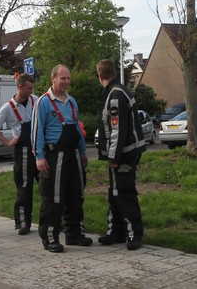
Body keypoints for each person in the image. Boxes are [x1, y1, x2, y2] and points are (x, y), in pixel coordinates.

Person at [31, 64, 91, 252]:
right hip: (54, 157)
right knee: (54, 199)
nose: (66, 82)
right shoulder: (43, 102)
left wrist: (83, 152)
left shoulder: (72, 102)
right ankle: (50, 238)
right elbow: (36, 131)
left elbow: (78, 130)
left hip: (73, 156)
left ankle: (74, 234)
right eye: (62, 78)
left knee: (76, 196)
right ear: (53, 79)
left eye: (68, 78)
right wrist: (39, 157)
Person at [95, 59, 148, 250]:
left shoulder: (115, 95)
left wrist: (113, 157)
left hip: (124, 154)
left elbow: (118, 130)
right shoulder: (119, 90)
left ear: (100, 76)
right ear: (114, 73)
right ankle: (115, 232)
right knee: (115, 192)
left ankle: (134, 234)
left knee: (124, 193)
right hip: (127, 152)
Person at [0, 74, 37, 235]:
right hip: (22, 151)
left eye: (32, 88)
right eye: (29, 88)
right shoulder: (8, 107)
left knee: (47, 185)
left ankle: (52, 221)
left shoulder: (35, 100)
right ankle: (23, 223)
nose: (31, 92)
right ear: (20, 87)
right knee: (24, 187)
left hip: (38, 147)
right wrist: (7, 141)